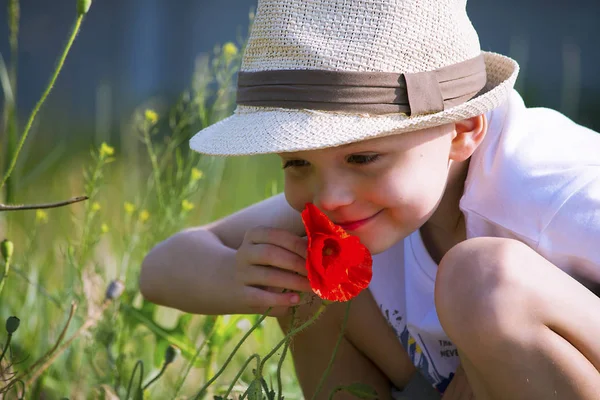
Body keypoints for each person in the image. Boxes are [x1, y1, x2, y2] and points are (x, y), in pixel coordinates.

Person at [139, 0, 600, 398]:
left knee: (481, 280)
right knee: (303, 270)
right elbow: (161, 267)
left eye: (361, 157)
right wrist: (247, 274)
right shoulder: (366, 202)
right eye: (297, 163)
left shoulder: (548, 183)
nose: (330, 198)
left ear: (462, 129)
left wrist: (492, 346)